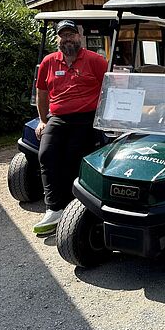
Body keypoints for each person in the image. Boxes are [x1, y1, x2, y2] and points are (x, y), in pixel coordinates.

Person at [33, 20, 108, 235]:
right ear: (58, 39)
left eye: (71, 34)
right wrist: (43, 120)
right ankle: (54, 208)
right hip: (58, 117)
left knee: (73, 156)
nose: (67, 39)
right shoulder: (49, 62)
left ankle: (74, 205)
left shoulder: (96, 61)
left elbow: (112, 88)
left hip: (87, 117)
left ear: (79, 36)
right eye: (63, 35)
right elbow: (42, 93)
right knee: (46, 154)